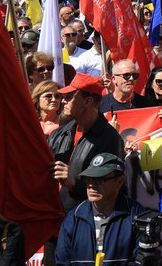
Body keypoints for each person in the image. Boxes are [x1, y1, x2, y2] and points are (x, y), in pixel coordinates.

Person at [53, 153, 142, 266]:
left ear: (119, 182)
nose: (91, 184)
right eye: (89, 178)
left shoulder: (137, 215)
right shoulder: (73, 218)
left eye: (100, 179)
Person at [48, 73, 124, 212]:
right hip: (54, 214)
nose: (63, 101)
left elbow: (110, 189)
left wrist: (73, 183)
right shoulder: (60, 133)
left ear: (87, 101)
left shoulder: (109, 139)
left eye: (69, 97)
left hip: (84, 218)